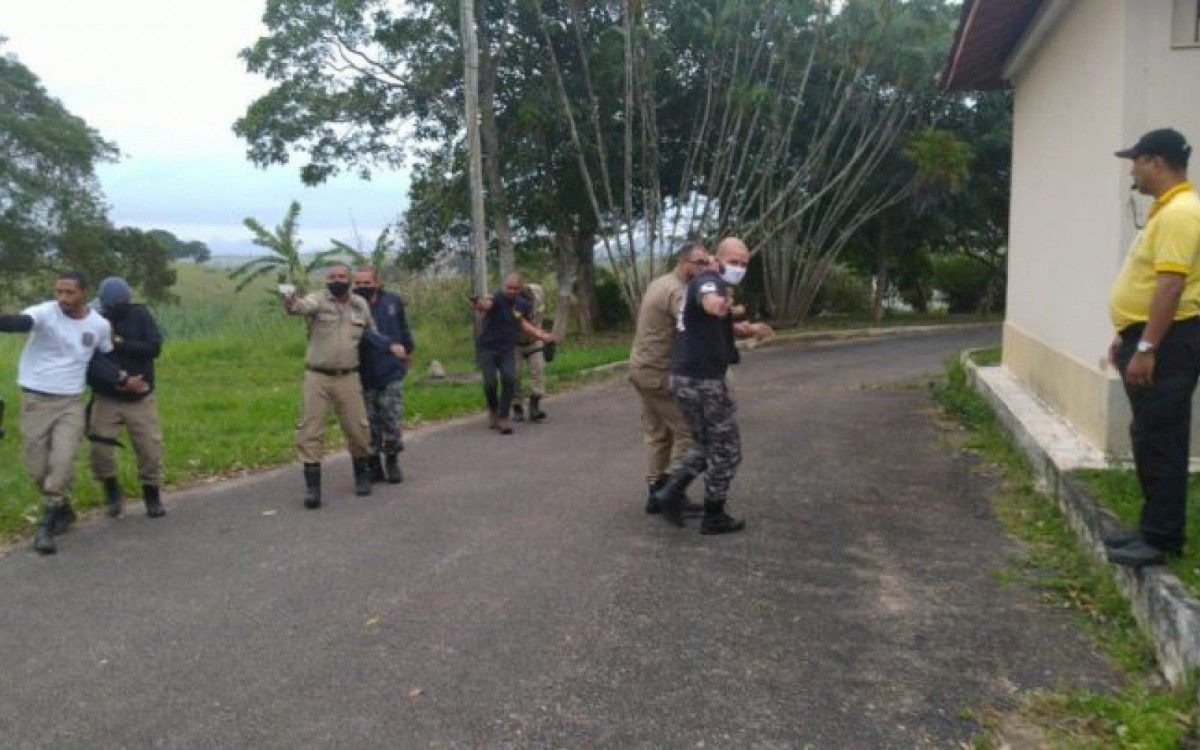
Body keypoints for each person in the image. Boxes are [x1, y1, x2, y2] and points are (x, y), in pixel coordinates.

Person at [1104, 128, 1200, 567]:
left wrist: (1146, 347)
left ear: (1157, 162)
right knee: (1149, 435)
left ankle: (1161, 539)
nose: (1133, 172)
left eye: (1137, 162)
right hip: (1153, 335)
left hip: (1169, 341)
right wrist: (1126, 334)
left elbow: (1171, 286)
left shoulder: (1180, 213)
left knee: (1161, 438)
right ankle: (1151, 529)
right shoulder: (1168, 211)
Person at [0, 271, 148, 554]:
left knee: (63, 461)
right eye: (59, 292)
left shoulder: (98, 325)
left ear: (83, 293)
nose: (63, 298)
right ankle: (63, 508)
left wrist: (123, 379)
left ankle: (45, 525)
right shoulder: (45, 313)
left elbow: (101, 359)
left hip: (71, 402)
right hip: (35, 401)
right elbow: (20, 322)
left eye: (70, 292)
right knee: (37, 468)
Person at [653, 238, 773, 534]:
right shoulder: (711, 281)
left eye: (744, 264)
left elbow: (705, 323)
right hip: (703, 382)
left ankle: (669, 494)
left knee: (707, 444)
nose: (739, 268)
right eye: (734, 262)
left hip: (687, 377)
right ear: (718, 260)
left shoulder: (705, 281)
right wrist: (720, 305)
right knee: (727, 450)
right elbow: (710, 304)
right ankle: (714, 516)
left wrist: (744, 327)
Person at [284, 264, 406, 508]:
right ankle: (313, 488)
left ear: (349, 280)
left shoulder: (359, 305)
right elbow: (299, 307)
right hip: (317, 376)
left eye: (341, 276)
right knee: (311, 430)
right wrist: (290, 301)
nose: (337, 280)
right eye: (332, 277)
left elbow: (371, 334)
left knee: (358, 429)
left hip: (348, 376)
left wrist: (390, 346)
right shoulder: (319, 300)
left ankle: (362, 475)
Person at [629, 241, 711, 515]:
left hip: (642, 369)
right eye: (699, 263)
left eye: (707, 262)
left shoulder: (660, 283)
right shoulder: (677, 291)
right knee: (689, 430)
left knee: (658, 434)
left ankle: (656, 492)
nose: (704, 268)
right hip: (659, 373)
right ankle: (671, 494)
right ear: (684, 263)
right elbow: (694, 322)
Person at [86, 276, 167, 519]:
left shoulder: (140, 315)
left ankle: (152, 494)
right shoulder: (92, 318)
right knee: (99, 448)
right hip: (106, 395)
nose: (108, 311)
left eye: (112, 307)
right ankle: (111, 490)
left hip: (140, 396)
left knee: (149, 449)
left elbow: (153, 348)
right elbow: (90, 358)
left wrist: (120, 343)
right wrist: (116, 380)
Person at [470, 273, 557, 435]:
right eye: (509, 288)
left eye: (515, 288)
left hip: (507, 348)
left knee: (510, 379)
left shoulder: (521, 304)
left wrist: (542, 335)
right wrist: (479, 304)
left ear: (520, 289)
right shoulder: (497, 298)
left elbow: (522, 323)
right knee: (490, 383)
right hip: (487, 348)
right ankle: (493, 410)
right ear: (504, 286)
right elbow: (486, 305)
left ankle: (503, 417)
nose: (511, 291)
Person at [352, 266, 415, 484]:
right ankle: (374, 464)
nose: (362, 287)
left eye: (367, 283)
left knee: (391, 418)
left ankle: (392, 460)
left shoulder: (392, 301)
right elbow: (364, 335)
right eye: (358, 283)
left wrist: (408, 352)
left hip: (391, 370)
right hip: (363, 371)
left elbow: (403, 328)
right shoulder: (351, 306)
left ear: (377, 283)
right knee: (369, 422)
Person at [512, 282, 548, 423]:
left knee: (538, 372)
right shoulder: (510, 302)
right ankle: (517, 407)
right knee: (514, 376)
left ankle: (534, 407)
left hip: (534, 341)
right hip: (514, 344)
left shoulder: (538, 292)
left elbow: (541, 315)